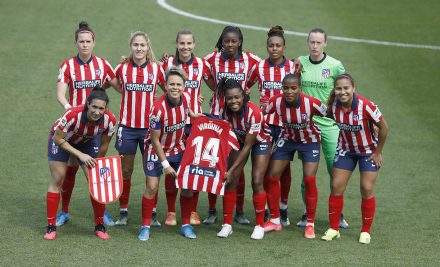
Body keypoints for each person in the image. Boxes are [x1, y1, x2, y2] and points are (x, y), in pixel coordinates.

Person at [55, 21, 119, 227]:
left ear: (94, 43)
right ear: (76, 43)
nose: (84, 45)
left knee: (94, 173)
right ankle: (64, 211)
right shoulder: (67, 65)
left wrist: (126, 66)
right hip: (74, 126)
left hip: (95, 128)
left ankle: (102, 215)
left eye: (88, 41)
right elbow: (60, 94)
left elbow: (118, 85)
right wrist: (69, 110)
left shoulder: (102, 64)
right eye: (81, 41)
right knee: (69, 170)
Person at [204, 26, 261, 225]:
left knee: (238, 168)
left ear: (240, 42)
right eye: (226, 41)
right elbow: (201, 72)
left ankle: (239, 210)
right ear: (222, 41)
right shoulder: (211, 58)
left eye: (234, 41)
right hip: (216, 119)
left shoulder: (251, 60)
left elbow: (262, 72)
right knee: (213, 163)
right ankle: (211, 210)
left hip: (239, 121)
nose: (230, 44)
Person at [321, 74, 388, 244]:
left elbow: (384, 127)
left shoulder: (367, 106)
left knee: (366, 188)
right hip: (346, 151)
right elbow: (324, 113)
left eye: (346, 88)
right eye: (339, 88)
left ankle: (365, 230)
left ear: (353, 89)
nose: (342, 92)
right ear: (334, 90)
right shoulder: (333, 106)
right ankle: (334, 228)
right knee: (336, 186)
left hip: (368, 152)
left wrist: (378, 152)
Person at [138, 66, 203, 241]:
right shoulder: (157, 109)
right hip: (156, 150)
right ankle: (145, 227)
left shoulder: (187, 98)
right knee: (152, 187)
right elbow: (155, 140)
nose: (175, 87)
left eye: (179, 84)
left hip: (179, 148)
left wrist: (199, 116)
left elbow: (189, 113)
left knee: (187, 187)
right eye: (171, 84)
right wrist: (165, 164)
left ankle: (186, 225)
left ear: (184, 87)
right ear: (165, 86)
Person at [44, 87, 116, 240]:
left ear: (106, 109)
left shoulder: (110, 120)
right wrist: (80, 155)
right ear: (87, 104)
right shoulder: (72, 115)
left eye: (101, 108)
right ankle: (51, 227)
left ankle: (99, 225)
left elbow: (104, 145)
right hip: (61, 140)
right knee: (58, 178)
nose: (97, 112)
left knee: (96, 182)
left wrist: (97, 162)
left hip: (87, 142)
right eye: (94, 107)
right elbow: (58, 139)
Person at [161, 29, 215, 226]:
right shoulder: (167, 63)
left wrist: (199, 98)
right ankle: (170, 212)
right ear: (177, 44)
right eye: (182, 43)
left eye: (189, 44)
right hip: (173, 123)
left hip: (195, 124)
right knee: (172, 166)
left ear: (194, 45)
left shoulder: (202, 64)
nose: (185, 47)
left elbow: (214, 86)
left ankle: (192, 210)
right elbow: (161, 84)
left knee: (195, 167)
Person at [263, 74, 327, 239]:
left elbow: (332, 114)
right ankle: (275, 219)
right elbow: (261, 113)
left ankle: (310, 223)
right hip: (287, 139)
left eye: (293, 88)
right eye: (286, 88)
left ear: (300, 88)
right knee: (272, 176)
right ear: (281, 88)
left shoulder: (311, 103)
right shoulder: (276, 102)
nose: (289, 91)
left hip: (310, 141)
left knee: (309, 179)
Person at [112, 31, 165, 227]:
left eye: (142, 45)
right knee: (126, 171)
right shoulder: (122, 68)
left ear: (147, 46)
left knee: (151, 171)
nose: (139, 48)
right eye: (136, 45)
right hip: (126, 128)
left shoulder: (156, 68)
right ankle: (123, 212)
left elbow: (169, 89)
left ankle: (152, 212)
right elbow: (112, 83)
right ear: (131, 46)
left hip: (150, 130)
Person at [248, 26, 299, 226]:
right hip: (266, 125)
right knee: (267, 167)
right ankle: (270, 209)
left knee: (284, 169)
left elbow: (298, 92)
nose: (274, 49)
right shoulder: (259, 67)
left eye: (278, 46)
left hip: (287, 126)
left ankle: (283, 207)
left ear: (284, 47)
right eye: (271, 46)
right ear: (267, 47)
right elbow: (245, 87)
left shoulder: (294, 68)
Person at [296, 28, 348, 228]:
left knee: (335, 170)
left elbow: (346, 89)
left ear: (325, 43)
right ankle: (306, 212)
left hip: (329, 125)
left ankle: (338, 213)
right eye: (312, 42)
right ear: (307, 42)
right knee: (308, 173)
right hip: (308, 126)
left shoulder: (335, 66)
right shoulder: (300, 62)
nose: (315, 46)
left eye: (319, 42)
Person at [216, 78, 272, 240]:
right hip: (238, 141)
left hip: (259, 142)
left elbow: (248, 146)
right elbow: (224, 137)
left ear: (243, 96)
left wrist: (230, 169)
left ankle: (259, 225)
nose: (233, 101)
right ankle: (227, 225)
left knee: (256, 181)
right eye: (229, 98)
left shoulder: (254, 112)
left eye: (236, 97)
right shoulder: (224, 111)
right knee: (231, 181)